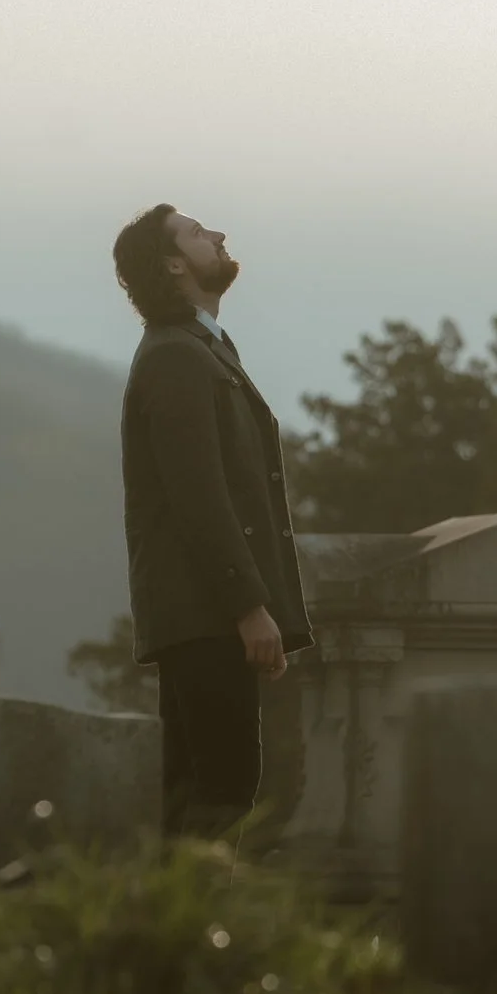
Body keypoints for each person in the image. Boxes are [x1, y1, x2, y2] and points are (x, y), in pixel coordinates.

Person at [110, 203, 313, 838]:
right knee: (217, 795)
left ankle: (185, 926)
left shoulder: (200, 349)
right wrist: (249, 605)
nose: (219, 235)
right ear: (174, 264)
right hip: (204, 616)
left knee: (209, 791)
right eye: (198, 234)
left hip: (208, 615)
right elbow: (198, 496)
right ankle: (193, 929)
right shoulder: (176, 357)